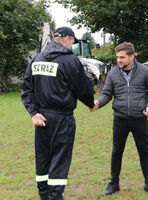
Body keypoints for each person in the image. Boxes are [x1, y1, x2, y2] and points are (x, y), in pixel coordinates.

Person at [21, 27, 94, 200]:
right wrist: (91, 103)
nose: (72, 46)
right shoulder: (70, 61)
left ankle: (44, 194)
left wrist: (34, 113)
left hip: (42, 118)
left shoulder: (36, 59)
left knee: (43, 158)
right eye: (73, 42)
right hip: (62, 118)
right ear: (68, 38)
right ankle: (55, 196)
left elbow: (26, 90)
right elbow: (83, 88)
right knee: (60, 158)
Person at [91, 42, 148, 196]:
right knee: (116, 152)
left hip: (139, 119)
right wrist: (99, 103)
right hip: (120, 119)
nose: (119, 60)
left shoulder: (144, 71)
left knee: (143, 151)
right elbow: (107, 93)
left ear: (132, 57)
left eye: (122, 57)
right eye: (117, 57)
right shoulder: (114, 73)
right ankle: (114, 183)